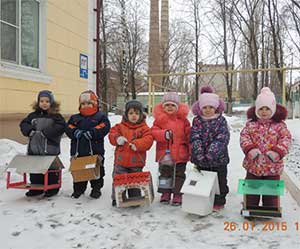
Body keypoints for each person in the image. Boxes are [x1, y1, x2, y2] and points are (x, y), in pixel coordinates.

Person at [240, 87, 291, 208]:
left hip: (272, 166)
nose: (264, 112)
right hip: (254, 164)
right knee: (252, 188)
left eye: (267, 109)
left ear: (273, 109)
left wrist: (277, 152)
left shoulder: (280, 126)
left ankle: (271, 207)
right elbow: (244, 137)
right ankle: (251, 207)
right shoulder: (251, 125)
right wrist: (250, 149)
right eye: (261, 108)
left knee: (271, 190)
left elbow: (286, 140)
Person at [190, 86, 230, 211]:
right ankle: (204, 198)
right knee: (203, 181)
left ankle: (219, 200)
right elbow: (195, 137)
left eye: (211, 107)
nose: (208, 110)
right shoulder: (197, 121)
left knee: (220, 181)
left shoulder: (221, 121)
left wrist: (211, 153)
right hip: (201, 159)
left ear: (216, 108)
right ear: (200, 108)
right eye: (205, 107)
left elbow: (222, 138)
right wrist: (199, 154)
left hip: (219, 159)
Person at [20, 90, 65, 197]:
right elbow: (23, 124)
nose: (44, 103)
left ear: (51, 103)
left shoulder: (56, 116)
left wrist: (47, 132)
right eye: (42, 101)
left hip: (50, 148)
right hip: (34, 147)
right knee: (35, 169)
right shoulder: (32, 116)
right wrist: (29, 130)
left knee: (51, 169)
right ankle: (36, 187)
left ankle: (53, 187)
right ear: (38, 102)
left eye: (47, 101)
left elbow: (61, 126)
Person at [66, 90, 111, 199]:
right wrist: (75, 131)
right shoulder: (75, 118)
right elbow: (68, 127)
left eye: (89, 103)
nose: (86, 106)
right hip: (78, 151)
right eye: (83, 103)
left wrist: (92, 132)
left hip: (95, 151)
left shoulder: (100, 117)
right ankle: (78, 190)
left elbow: (104, 126)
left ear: (95, 104)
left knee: (96, 169)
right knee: (79, 170)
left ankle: (96, 189)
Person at [109, 100, 153, 206]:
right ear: (126, 114)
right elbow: (112, 134)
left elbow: (149, 140)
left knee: (134, 181)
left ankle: (134, 198)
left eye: (137, 113)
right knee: (119, 180)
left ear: (141, 115)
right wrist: (117, 138)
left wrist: (137, 144)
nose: (134, 116)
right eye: (131, 113)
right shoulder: (120, 127)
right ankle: (117, 197)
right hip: (120, 161)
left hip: (136, 162)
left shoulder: (144, 128)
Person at [152, 92, 190, 206]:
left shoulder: (183, 121)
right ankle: (165, 193)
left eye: (173, 105)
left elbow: (189, 135)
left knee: (179, 175)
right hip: (164, 155)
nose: (170, 107)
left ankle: (177, 194)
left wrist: (190, 150)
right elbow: (153, 132)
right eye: (167, 105)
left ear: (177, 107)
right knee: (165, 174)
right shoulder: (160, 120)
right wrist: (163, 134)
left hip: (180, 154)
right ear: (163, 107)